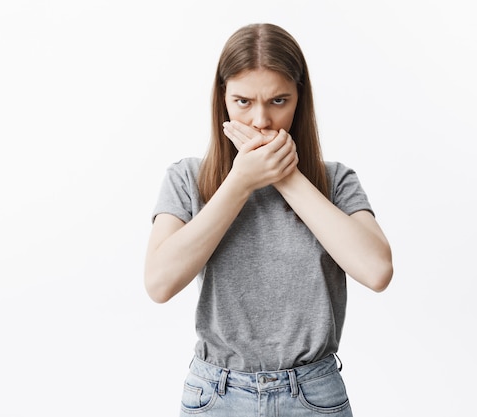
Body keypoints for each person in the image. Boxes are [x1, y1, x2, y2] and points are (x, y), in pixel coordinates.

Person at [144, 22, 393, 417]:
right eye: (243, 101)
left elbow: (377, 271)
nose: (260, 120)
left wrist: (287, 177)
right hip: (216, 395)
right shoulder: (187, 179)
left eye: (278, 101)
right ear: (222, 100)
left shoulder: (335, 181)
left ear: (299, 100)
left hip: (313, 394)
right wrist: (239, 183)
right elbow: (159, 283)